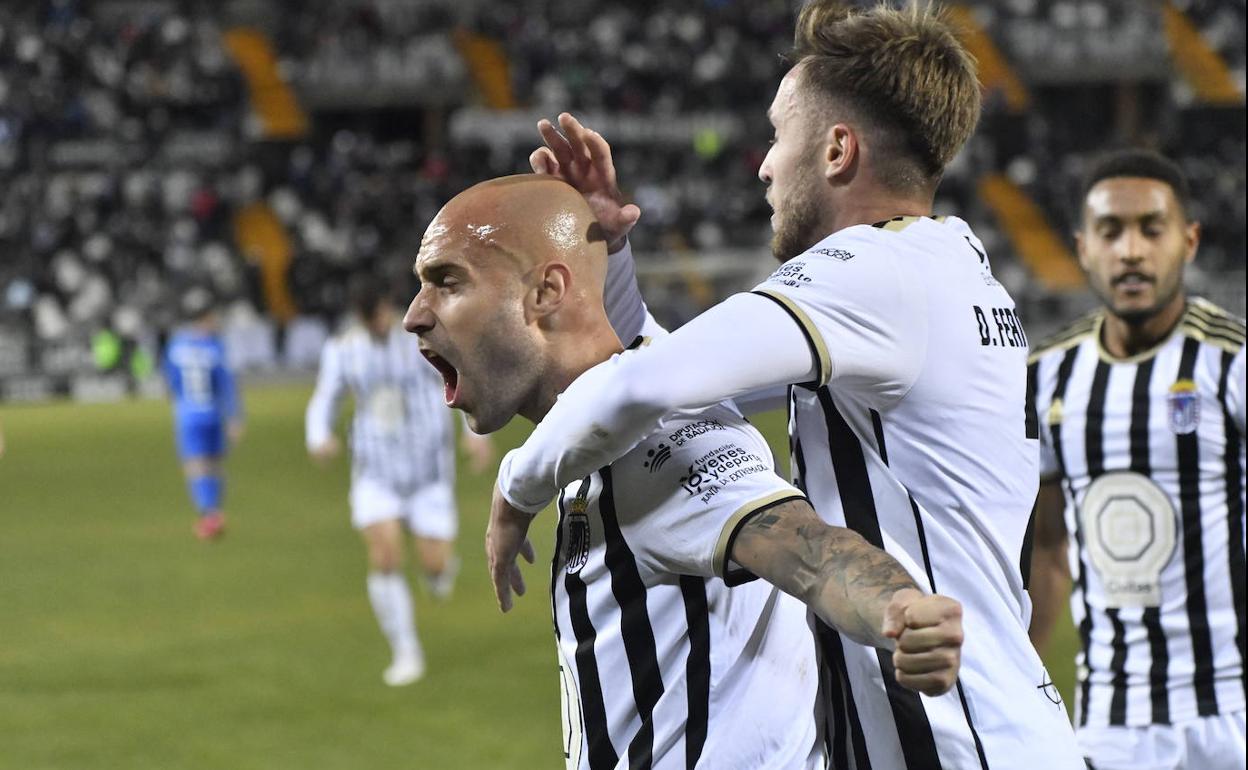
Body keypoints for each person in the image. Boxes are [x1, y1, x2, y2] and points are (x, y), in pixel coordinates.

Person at [487, 2, 1087, 767]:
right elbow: (694, 386)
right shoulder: (946, 269)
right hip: (986, 726)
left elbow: (645, 389)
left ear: (837, 151)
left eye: (779, 135)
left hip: (952, 742)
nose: (766, 164)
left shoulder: (876, 275)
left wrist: (517, 489)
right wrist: (616, 252)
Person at [405, 174, 965, 768]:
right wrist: (610, 247)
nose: (416, 315)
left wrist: (897, 610)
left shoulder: (659, 443)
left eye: (447, 283)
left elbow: (807, 549)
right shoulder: (603, 425)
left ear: (545, 293)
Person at [1027, 149, 1245, 769]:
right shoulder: (1045, 377)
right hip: (1109, 724)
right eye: (1110, 231)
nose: (1131, 251)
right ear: (1082, 247)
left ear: (1190, 241)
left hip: (1231, 715)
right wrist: (1024, 690)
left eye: (1152, 229)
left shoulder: (1232, 363)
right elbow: (1047, 548)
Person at [306, 275, 493, 687]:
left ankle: (439, 572)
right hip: (375, 472)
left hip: (428, 473)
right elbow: (327, 396)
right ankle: (405, 650)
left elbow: (460, 384)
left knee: (434, 566)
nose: (378, 321)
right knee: (386, 557)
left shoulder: (422, 342)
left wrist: (475, 435)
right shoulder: (343, 351)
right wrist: (319, 435)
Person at [163, 289, 243, 541]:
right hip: (213, 413)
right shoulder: (215, 345)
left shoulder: (176, 344)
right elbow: (226, 383)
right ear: (206, 317)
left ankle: (208, 514)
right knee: (215, 464)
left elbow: (172, 381)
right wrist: (235, 416)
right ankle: (214, 513)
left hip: (188, 415)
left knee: (196, 466)